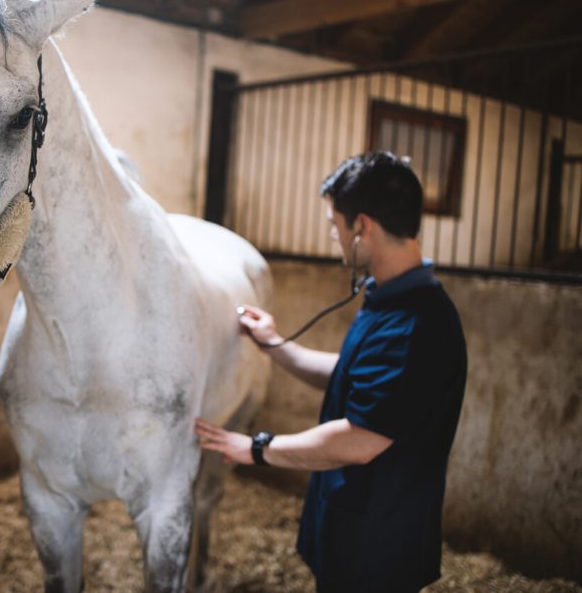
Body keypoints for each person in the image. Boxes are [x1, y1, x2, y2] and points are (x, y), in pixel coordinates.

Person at [195, 152, 467, 593]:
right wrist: (274, 345)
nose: (332, 236)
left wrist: (256, 449)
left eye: (334, 224)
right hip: (352, 528)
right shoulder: (388, 297)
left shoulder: (415, 326)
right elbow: (351, 376)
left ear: (362, 227)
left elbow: (360, 439)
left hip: (378, 549)